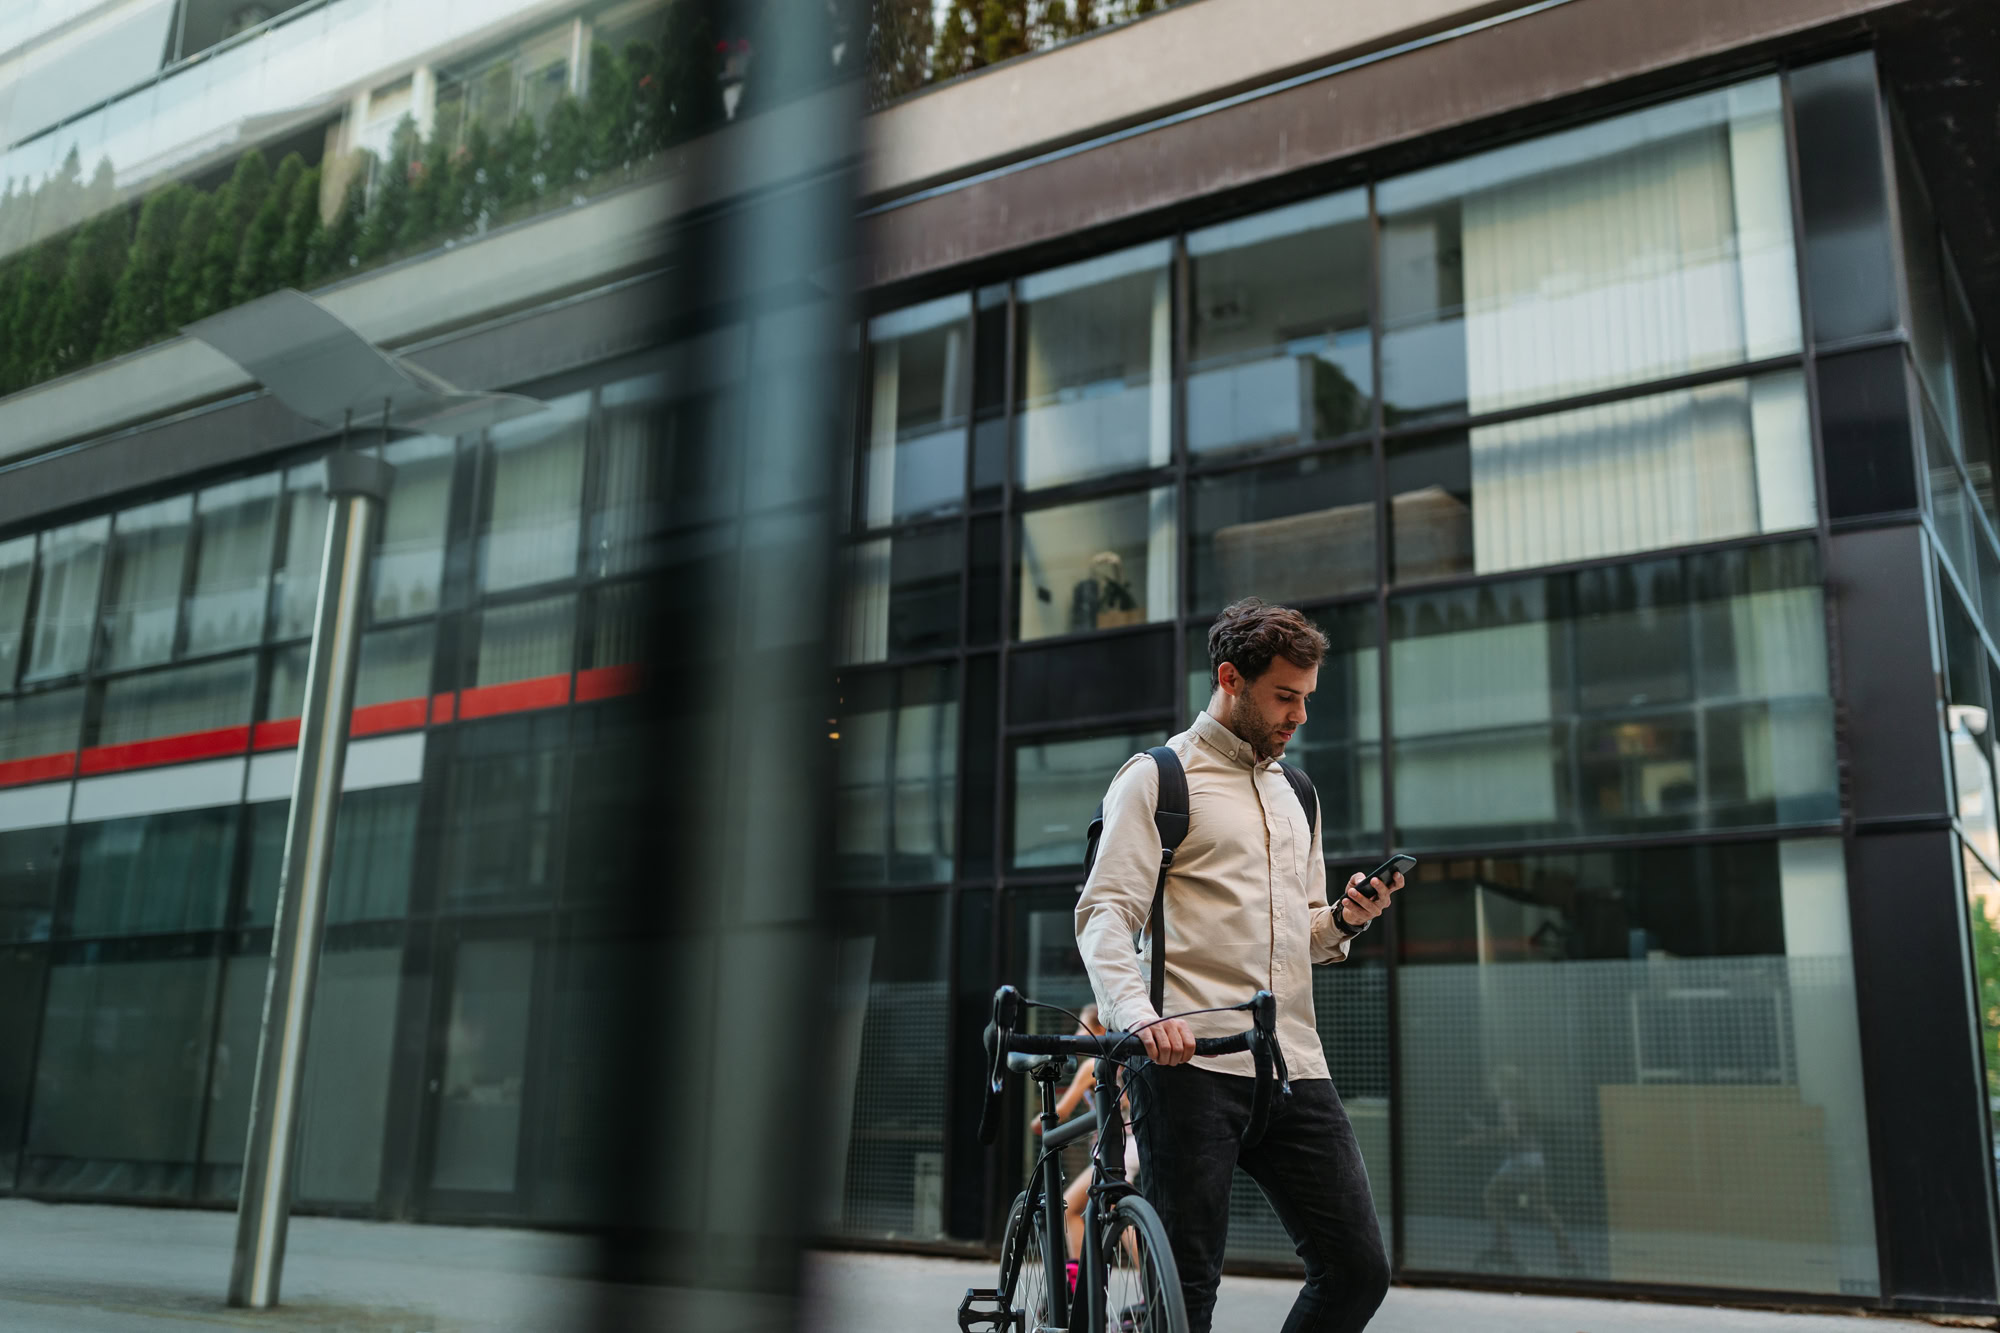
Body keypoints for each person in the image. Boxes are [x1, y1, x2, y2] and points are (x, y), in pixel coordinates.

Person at [1075, 597, 1401, 1333]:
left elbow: (1302, 930)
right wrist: (1140, 1018)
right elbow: (1104, 916)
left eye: (1307, 698)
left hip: (1291, 1065)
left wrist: (1346, 918)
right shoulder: (1158, 778)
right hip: (1188, 1066)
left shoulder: (1299, 793)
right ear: (1231, 678)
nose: (1300, 715)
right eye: (1286, 696)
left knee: (1358, 1270)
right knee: (1185, 1296)